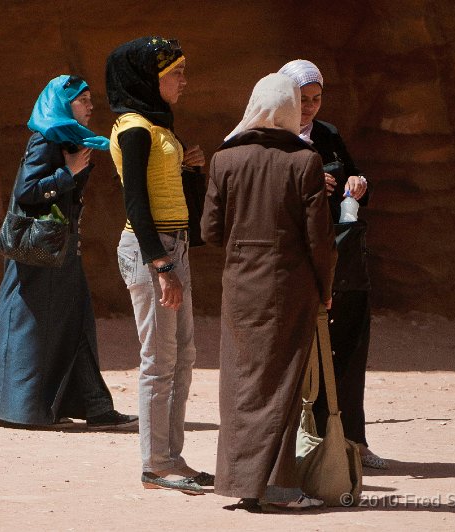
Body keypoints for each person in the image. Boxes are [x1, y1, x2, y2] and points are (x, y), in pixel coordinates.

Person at [202, 73, 337, 511]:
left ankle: (239, 480)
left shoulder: (225, 159)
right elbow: (320, 239)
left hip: (240, 286)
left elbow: (210, 231)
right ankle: (278, 487)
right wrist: (325, 288)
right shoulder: (304, 162)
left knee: (240, 382)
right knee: (281, 383)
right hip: (288, 285)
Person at [0, 75, 138, 431]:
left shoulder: (70, 138)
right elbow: (26, 191)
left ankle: (94, 406)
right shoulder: (46, 140)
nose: (91, 106)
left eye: (91, 99)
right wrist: (68, 173)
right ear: (62, 105)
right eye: (83, 100)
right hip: (41, 255)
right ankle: (23, 407)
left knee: (74, 322)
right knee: (33, 325)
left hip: (60, 250)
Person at [106, 36, 212, 495]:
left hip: (174, 246)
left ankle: (172, 457)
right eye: (176, 73)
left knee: (182, 356)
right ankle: (155, 463)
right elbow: (135, 200)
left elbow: (177, 195)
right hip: (155, 252)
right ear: (150, 79)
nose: (184, 81)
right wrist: (161, 264)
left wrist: (192, 169)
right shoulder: (134, 129)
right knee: (158, 361)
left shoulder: (159, 126)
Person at [279, 59, 386, 469]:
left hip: (340, 256)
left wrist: (358, 186)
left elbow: (354, 179)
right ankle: (302, 444)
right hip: (298, 260)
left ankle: (350, 440)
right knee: (303, 353)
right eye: (300, 99)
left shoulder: (328, 136)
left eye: (316, 99)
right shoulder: (274, 137)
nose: (308, 107)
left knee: (349, 346)